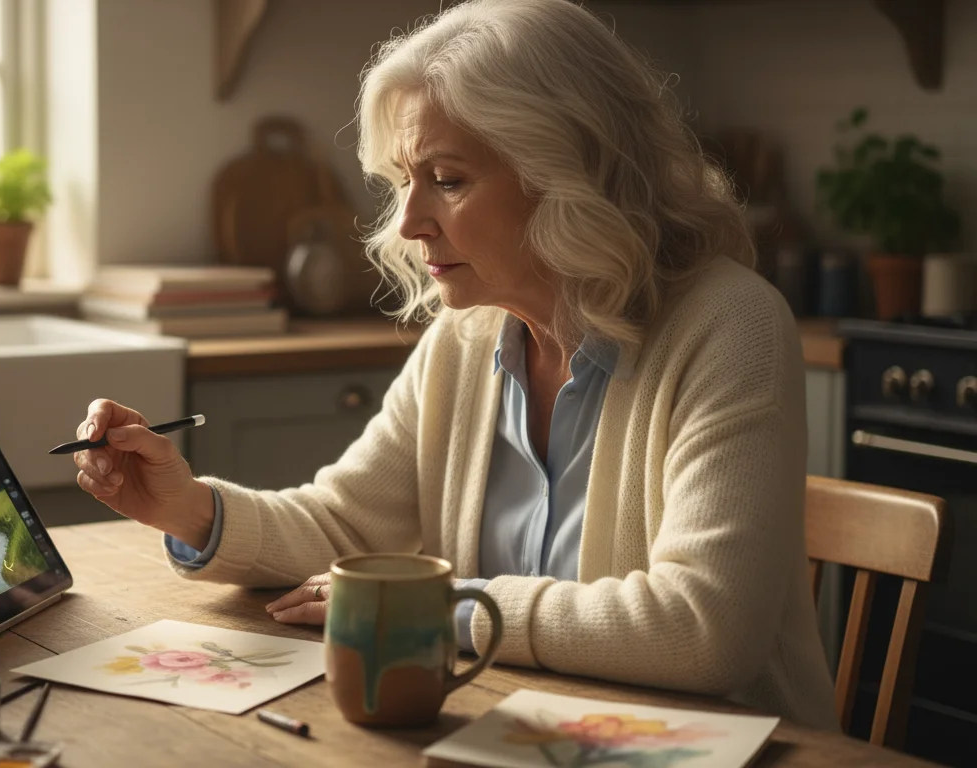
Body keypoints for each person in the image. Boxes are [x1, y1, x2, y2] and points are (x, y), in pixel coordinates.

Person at [72, 0, 837, 729]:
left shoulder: (731, 325)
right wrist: (187, 509)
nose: (408, 222)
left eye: (447, 179)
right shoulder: (467, 337)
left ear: (571, 174)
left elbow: (702, 629)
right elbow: (345, 526)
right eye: (405, 181)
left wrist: (449, 610)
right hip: (519, 730)